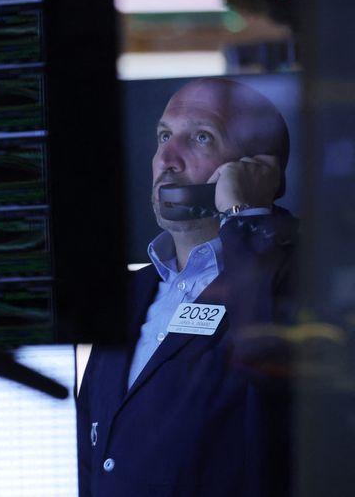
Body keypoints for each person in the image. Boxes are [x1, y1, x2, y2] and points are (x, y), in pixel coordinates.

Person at [76, 78, 298, 497]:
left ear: (257, 169)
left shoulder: (296, 280)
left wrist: (244, 215)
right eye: (163, 135)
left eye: (200, 137)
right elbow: (93, 451)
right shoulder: (129, 292)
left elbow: (270, 397)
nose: (167, 158)